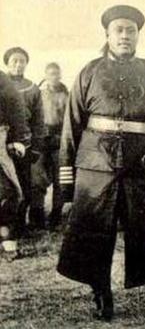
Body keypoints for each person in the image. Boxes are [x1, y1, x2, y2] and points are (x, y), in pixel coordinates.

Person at [56, 5, 145, 321]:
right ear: (108, 35)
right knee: (94, 233)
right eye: (119, 30)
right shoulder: (89, 72)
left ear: (138, 35)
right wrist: (67, 186)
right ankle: (101, 293)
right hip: (94, 169)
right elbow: (71, 129)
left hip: (140, 167)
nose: (125, 35)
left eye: (131, 30)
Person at [4, 47, 45, 233]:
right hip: (2, 141)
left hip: (24, 142)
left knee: (24, 185)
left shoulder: (32, 88)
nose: (18, 65)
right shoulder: (1, 84)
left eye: (22, 61)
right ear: (7, 63)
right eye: (14, 61)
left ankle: (18, 225)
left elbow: (38, 120)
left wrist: (35, 146)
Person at [32, 62, 69, 230]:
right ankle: (37, 215)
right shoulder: (39, 94)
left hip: (58, 140)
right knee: (38, 178)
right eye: (51, 74)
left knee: (59, 178)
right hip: (40, 140)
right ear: (46, 76)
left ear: (60, 75)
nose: (54, 76)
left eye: (57, 73)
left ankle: (56, 215)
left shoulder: (66, 95)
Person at [0, 70, 30, 260]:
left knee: (8, 190)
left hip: (0, 138)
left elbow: (17, 108)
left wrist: (18, 139)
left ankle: (7, 239)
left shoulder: (1, 79)